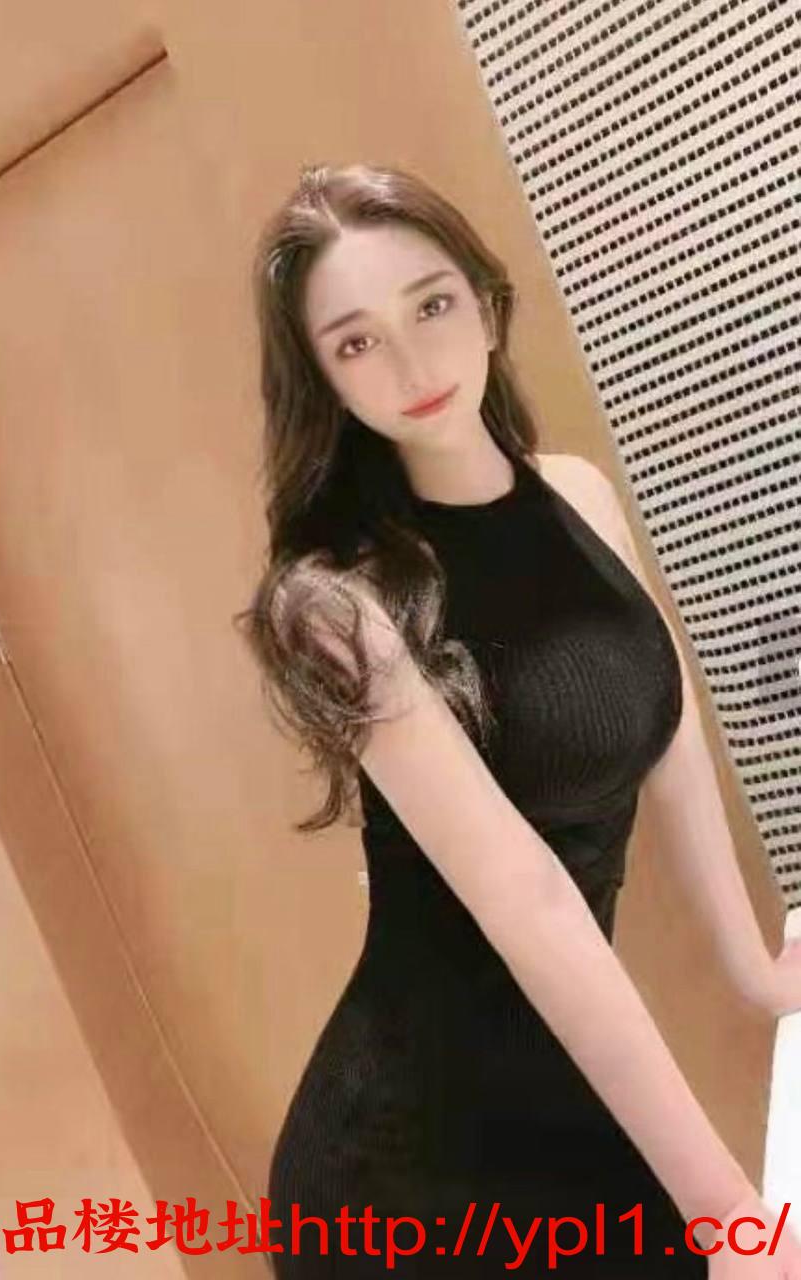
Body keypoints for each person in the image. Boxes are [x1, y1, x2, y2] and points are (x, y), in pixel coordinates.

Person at [234, 162, 801, 1276]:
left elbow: (667, 727)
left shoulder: (579, 492)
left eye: (432, 305)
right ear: (323, 381)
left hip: (564, 1092)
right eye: (357, 342)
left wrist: (754, 967)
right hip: (405, 1160)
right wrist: (725, 1207)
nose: (412, 364)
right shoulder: (337, 603)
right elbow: (527, 896)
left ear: (488, 305)